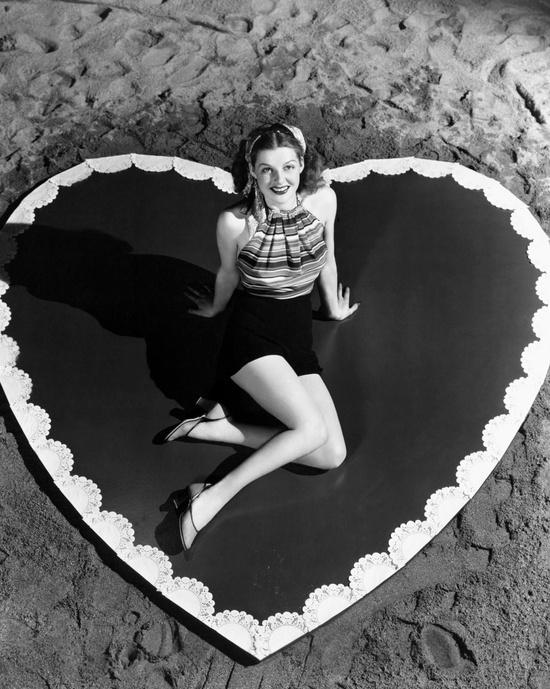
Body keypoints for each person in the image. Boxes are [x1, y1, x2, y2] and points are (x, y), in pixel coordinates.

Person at [164, 123, 360, 552]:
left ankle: (219, 429)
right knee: (311, 430)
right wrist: (216, 308)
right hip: (251, 338)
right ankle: (210, 498)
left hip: (297, 339)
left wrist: (331, 308)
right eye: (267, 169)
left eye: (288, 167)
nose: (280, 179)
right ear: (252, 171)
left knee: (331, 455)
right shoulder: (234, 222)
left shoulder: (324, 200)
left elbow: (327, 258)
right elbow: (228, 274)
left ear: (302, 165)